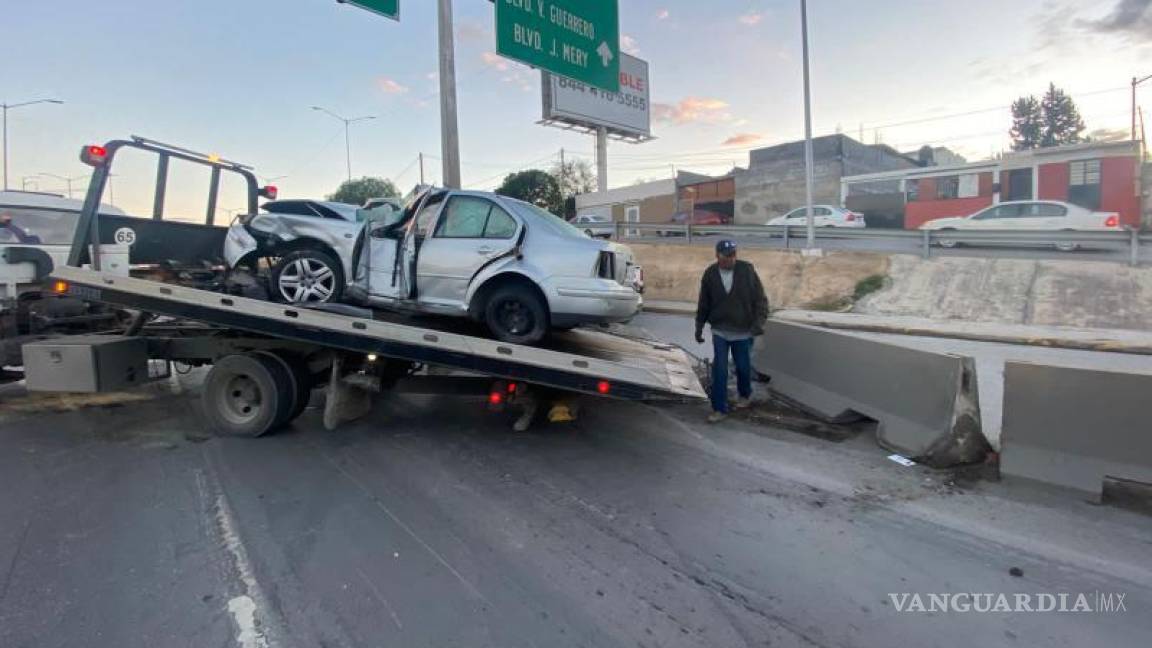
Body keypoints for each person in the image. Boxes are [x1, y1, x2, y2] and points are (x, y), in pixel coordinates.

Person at [694, 239, 769, 423]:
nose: (730, 259)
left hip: (743, 330)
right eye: (726, 256)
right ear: (717, 256)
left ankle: (745, 395)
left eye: (733, 255)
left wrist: (758, 324)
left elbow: (760, 300)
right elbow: (704, 303)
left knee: (743, 367)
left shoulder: (747, 270)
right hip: (720, 329)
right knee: (720, 369)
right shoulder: (711, 274)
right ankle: (719, 408)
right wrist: (699, 327)